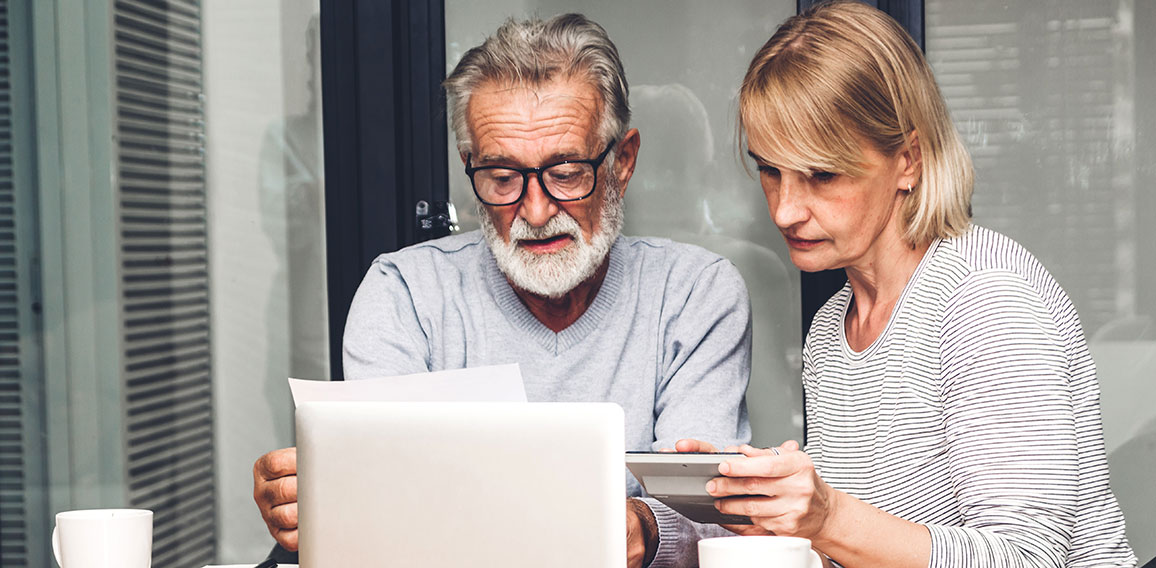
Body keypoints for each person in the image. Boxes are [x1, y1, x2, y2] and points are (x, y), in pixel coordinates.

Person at [251, 13, 752, 567]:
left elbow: (716, 516)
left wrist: (647, 529)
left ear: (622, 162)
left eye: (565, 171)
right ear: (470, 167)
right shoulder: (405, 295)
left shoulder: (694, 295)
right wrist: (314, 501)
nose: (535, 213)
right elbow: (382, 516)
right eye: (502, 177)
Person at [656, 2, 1137, 567]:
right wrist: (762, 512)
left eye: (821, 174)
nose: (785, 211)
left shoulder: (987, 298)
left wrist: (828, 517)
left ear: (907, 159)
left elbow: (1028, 558)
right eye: (770, 170)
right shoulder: (834, 331)